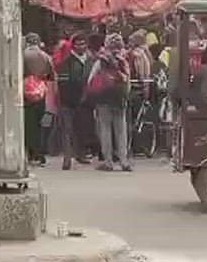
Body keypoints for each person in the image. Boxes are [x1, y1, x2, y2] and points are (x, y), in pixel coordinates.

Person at [90, 33, 132, 171]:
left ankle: (108, 162)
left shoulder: (101, 61)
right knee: (121, 131)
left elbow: (91, 80)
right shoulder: (123, 61)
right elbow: (127, 82)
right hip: (119, 98)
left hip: (104, 98)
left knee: (105, 129)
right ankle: (124, 161)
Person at [55, 33, 93, 170]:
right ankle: (67, 158)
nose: (80, 46)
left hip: (85, 102)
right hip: (68, 102)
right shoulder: (66, 63)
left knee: (82, 129)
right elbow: (62, 83)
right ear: (73, 46)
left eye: (83, 44)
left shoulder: (90, 61)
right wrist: (69, 99)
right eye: (78, 44)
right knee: (67, 130)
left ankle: (81, 154)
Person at [22, 33, 54, 166]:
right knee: (40, 124)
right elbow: (51, 76)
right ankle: (40, 153)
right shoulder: (45, 56)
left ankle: (31, 153)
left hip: (25, 93)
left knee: (29, 125)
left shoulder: (22, 55)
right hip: (40, 92)